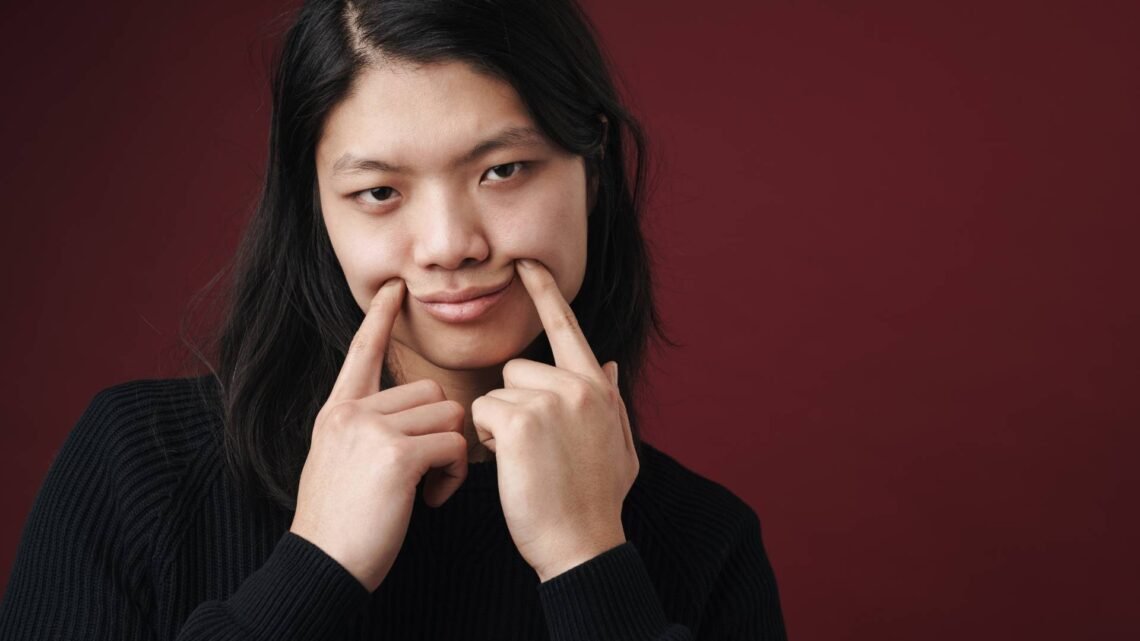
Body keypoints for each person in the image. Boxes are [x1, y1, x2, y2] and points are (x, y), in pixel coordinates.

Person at [0, 0, 787, 638]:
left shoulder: (701, 540)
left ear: (592, 172)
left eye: (503, 170)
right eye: (379, 191)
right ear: (317, 212)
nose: (449, 245)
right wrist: (314, 566)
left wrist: (588, 561)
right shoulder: (142, 463)